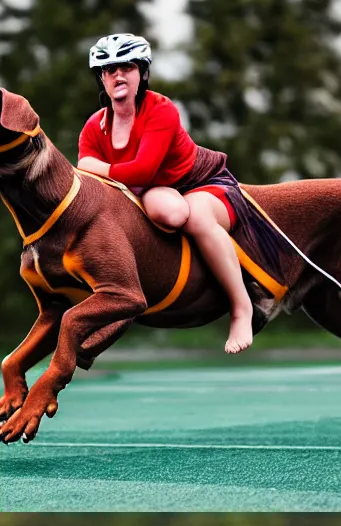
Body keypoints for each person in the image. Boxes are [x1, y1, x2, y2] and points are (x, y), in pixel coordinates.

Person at [76, 34, 256, 353]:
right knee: (161, 214)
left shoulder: (160, 110)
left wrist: (98, 167)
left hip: (201, 182)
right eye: (109, 69)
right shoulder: (94, 126)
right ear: (101, 78)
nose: (118, 75)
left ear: (142, 73)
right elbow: (86, 174)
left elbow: (140, 170)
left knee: (196, 218)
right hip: (155, 191)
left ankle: (242, 309)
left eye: (127, 67)